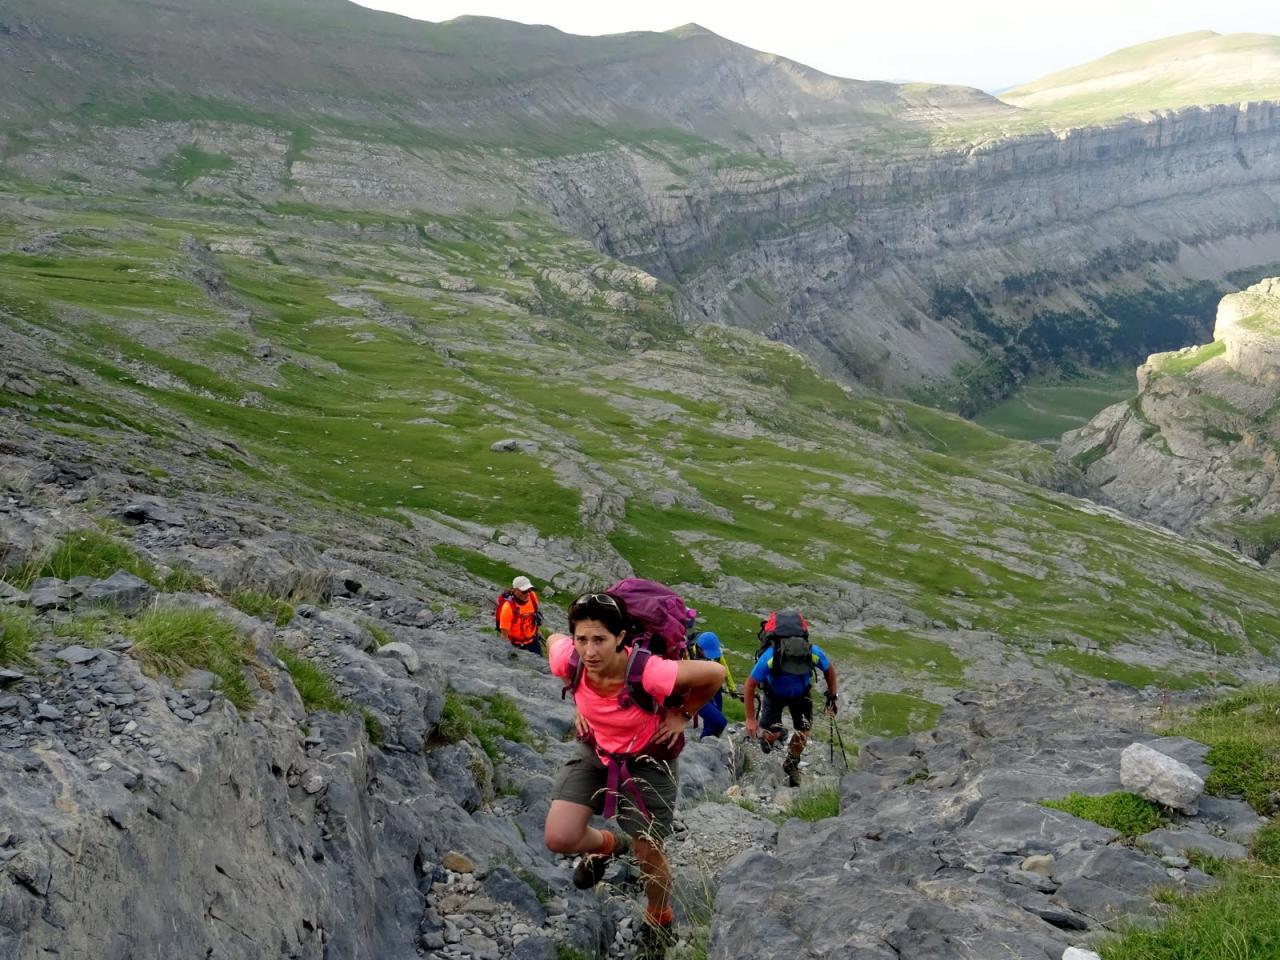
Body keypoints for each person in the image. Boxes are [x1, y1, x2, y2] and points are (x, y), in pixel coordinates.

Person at [544, 592, 725, 958]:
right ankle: (611, 846)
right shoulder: (570, 659)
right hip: (596, 750)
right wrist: (582, 704)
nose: (590, 651)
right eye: (582, 639)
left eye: (600, 640)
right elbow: (552, 640)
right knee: (559, 837)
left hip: (647, 760)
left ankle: (659, 919)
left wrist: (683, 715)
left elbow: (715, 674)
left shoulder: (650, 672)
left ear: (621, 637)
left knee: (648, 851)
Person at [743, 609, 837, 788]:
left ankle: (791, 763)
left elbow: (829, 669)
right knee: (772, 736)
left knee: (804, 734)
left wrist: (833, 696)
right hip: (774, 695)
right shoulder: (771, 656)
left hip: (801, 696)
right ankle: (771, 737)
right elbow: (750, 684)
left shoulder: (812, 652)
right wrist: (750, 719)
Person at [690, 631, 739, 739]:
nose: (711, 656)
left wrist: (732, 688)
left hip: (715, 689)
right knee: (719, 721)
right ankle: (704, 743)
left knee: (713, 722)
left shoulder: (717, 654)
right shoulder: (688, 654)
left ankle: (708, 742)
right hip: (696, 695)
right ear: (699, 648)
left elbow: (725, 670)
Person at [498, 575, 543, 657]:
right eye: (524, 591)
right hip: (517, 646)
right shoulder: (508, 608)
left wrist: (539, 633)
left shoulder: (532, 596)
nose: (528, 594)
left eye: (530, 590)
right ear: (514, 591)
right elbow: (504, 635)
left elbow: (534, 616)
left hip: (534, 641)